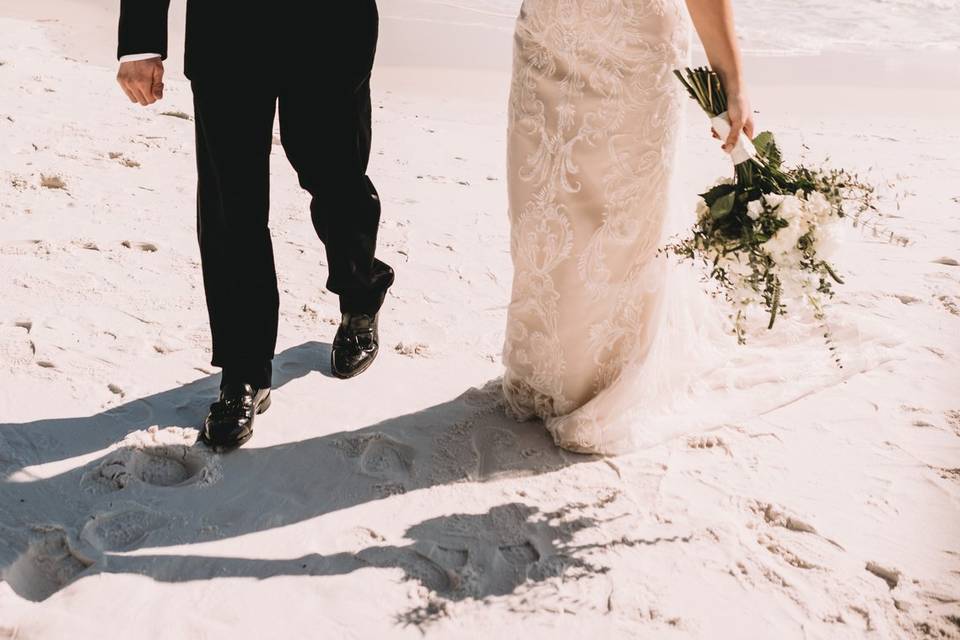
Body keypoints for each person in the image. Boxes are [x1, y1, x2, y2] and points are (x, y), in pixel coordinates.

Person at [114, 2, 395, 449]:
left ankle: (361, 292)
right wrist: (142, 40)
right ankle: (244, 372)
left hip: (330, 27)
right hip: (227, 27)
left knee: (337, 179)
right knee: (232, 204)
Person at [502, 0, 755, 454]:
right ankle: (548, 370)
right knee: (540, 208)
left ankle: (606, 381)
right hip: (546, 38)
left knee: (621, 224)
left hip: (634, 50)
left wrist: (732, 80)